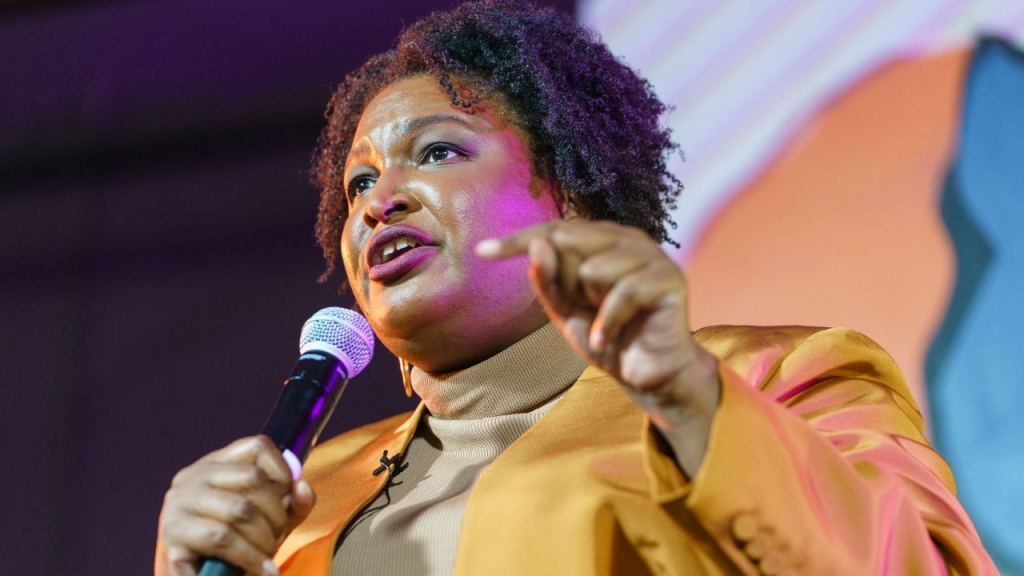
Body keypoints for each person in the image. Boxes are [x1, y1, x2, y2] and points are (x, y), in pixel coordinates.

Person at [155, 1, 997, 574]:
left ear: (572, 191)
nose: (382, 202)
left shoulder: (777, 381)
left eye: (439, 151)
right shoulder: (303, 488)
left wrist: (696, 410)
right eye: (359, 186)